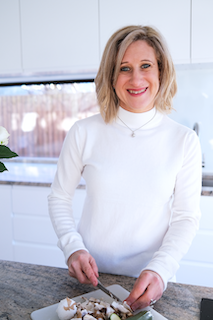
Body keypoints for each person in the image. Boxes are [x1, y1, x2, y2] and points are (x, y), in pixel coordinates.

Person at [48, 25, 202, 311]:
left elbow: (185, 218)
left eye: (146, 65)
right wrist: (73, 248)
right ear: (111, 75)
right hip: (91, 283)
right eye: (124, 68)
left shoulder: (184, 140)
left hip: (153, 283)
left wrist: (161, 269)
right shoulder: (84, 132)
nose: (136, 78)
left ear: (161, 71)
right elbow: (59, 197)